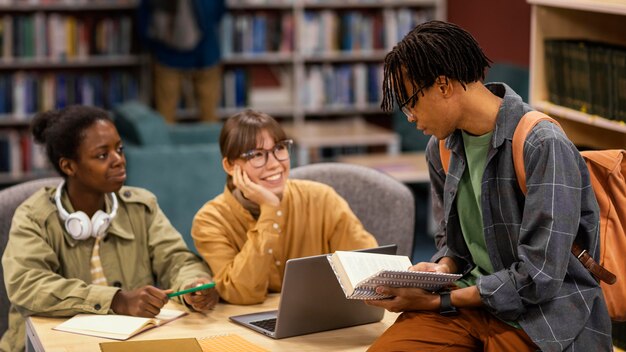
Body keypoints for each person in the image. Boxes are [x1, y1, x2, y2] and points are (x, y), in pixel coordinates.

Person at [365, 20, 612, 352]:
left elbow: (539, 277)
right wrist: (440, 269)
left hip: (541, 315)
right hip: (467, 304)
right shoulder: (441, 147)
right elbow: (453, 244)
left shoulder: (541, 144)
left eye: (410, 102)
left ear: (442, 86)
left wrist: (440, 302)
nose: (409, 117)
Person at [0, 106, 219, 352]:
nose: (119, 160)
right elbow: (28, 286)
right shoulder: (33, 216)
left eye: (119, 149)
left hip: (129, 344)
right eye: (103, 155)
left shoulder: (141, 206)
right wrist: (116, 300)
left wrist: (192, 285)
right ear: (69, 166)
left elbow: (177, 259)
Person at [191, 109, 378, 304]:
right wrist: (270, 211)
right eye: (257, 155)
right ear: (230, 166)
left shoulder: (322, 198)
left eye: (279, 149)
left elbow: (368, 267)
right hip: (246, 325)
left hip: (320, 318)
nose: (274, 164)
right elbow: (241, 293)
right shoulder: (210, 220)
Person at [137, 0, 226, 123]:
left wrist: (153, 46)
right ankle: (210, 141)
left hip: (167, 55)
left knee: (165, 115)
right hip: (205, 53)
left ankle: (164, 142)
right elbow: (219, 13)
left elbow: (144, 21)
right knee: (209, 116)